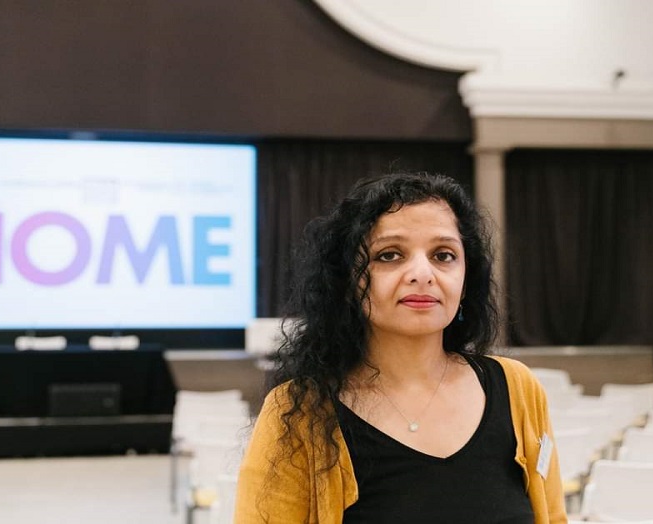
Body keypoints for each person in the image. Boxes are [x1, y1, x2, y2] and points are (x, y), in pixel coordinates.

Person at [235, 173, 566, 523]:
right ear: (347, 280)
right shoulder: (299, 412)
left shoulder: (517, 388)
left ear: (466, 280)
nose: (422, 274)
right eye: (389, 255)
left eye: (443, 255)